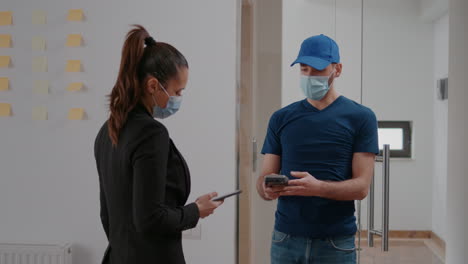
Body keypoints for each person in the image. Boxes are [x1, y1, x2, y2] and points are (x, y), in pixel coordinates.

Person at [94, 25, 223, 264]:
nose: (178, 98)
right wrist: (196, 210)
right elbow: (150, 218)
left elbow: (106, 215)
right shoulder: (151, 133)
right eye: (177, 91)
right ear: (153, 86)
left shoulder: (108, 130)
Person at [256, 34, 379, 264]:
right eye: (304, 69)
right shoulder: (281, 118)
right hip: (285, 240)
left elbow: (361, 187)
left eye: (317, 70)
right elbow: (264, 176)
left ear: (337, 69)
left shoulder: (361, 118)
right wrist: (266, 188)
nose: (309, 76)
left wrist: (317, 187)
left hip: (335, 243)